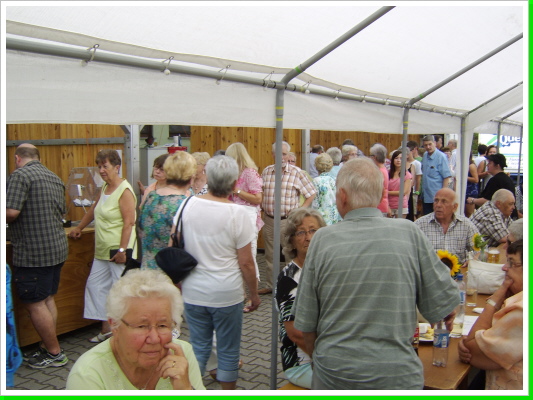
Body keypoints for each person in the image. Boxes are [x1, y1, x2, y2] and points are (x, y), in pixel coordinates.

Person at [293, 157, 459, 390]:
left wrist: (321, 364)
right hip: (397, 376)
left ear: (342, 196)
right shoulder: (409, 232)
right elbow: (445, 307)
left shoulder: (322, 240)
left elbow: (306, 324)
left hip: (335, 375)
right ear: (382, 193)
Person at [170, 155, 260, 389]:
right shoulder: (238, 214)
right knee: (228, 349)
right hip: (227, 292)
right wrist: (254, 293)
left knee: (199, 347)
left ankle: (191, 389)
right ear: (234, 182)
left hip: (193, 290)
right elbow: (246, 263)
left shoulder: (187, 205)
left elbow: (174, 243)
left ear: (208, 178)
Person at [66, 269, 205, 390]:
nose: (154, 338)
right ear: (114, 325)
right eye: (141, 326)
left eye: (162, 325)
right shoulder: (88, 375)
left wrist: (185, 390)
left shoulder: (181, 355)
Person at [6, 144, 69, 368]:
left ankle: (54, 352)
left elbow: (11, 212)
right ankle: (47, 347)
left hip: (33, 252)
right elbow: (62, 211)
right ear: (38, 157)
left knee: (35, 304)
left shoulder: (20, 176)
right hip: (56, 249)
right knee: (47, 299)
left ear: (17, 158)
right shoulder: (54, 177)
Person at [68, 149, 137, 344]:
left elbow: (129, 222)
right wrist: (79, 227)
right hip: (102, 249)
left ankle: (126, 333)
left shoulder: (124, 190)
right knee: (95, 286)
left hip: (118, 250)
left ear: (117, 167)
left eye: (105, 166)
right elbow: (93, 209)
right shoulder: (105, 187)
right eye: (99, 166)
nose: (101, 170)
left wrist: (122, 250)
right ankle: (108, 329)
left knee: (121, 292)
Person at [458, 240, 523, 390]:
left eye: (512, 263)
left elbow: (472, 351)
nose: (504, 267)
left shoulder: (521, 311)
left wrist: (495, 299)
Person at [276, 208, 326, 389]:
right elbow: (296, 334)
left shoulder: (325, 268)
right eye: (301, 232)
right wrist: (327, 361)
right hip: (303, 362)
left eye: (313, 230)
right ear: (292, 241)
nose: (308, 237)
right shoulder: (289, 278)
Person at [260, 141, 316, 295]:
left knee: (289, 254)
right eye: (278, 153)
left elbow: (311, 193)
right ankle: (271, 285)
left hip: (287, 220)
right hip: (269, 219)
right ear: (273, 154)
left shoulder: (297, 172)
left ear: (288, 155)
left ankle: (290, 288)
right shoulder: (266, 171)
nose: (281, 157)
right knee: (270, 255)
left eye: (284, 154)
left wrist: (300, 210)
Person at [139, 151, 195, 270]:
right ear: (190, 178)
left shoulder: (150, 197)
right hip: (171, 272)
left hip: (147, 268)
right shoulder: (186, 203)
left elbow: (141, 230)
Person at [225, 142, 264, 311]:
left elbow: (258, 198)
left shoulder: (249, 173)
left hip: (247, 217)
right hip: (231, 216)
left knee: (250, 256)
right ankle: (240, 294)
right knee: (235, 257)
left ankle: (251, 295)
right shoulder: (230, 174)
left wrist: (237, 191)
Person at [415, 188, 479, 264]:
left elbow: (481, 250)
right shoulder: (420, 225)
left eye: (444, 201)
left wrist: (472, 260)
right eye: (436, 201)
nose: (438, 205)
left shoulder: (466, 225)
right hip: (428, 269)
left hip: (457, 270)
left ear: (454, 207)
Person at [421, 135, 451, 215]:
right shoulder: (425, 155)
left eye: (430, 144)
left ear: (434, 143)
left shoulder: (441, 157)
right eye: (425, 145)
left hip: (437, 195)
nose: (428, 147)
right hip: (426, 195)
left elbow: (446, 177)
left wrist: (443, 194)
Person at [311, 153, 341, 225]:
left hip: (321, 217)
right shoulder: (335, 180)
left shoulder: (316, 181)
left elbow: (315, 203)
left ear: (316, 166)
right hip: (335, 216)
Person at [387, 150, 412, 218]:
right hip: (388, 205)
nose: (398, 160)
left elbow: (403, 192)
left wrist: (387, 192)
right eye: (396, 158)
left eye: (401, 158)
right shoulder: (388, 173)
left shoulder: (407, 175)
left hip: (401, 205)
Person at [369, 143, 391, 217]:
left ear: (374, 157)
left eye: (370, 156)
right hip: (381, 205)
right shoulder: (383, 169)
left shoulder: (379, 171)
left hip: (379, 207)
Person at [464, 152, 479, 217]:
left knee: (469, 213)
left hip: (470, 192)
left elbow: (476, 179)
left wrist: (464, 177)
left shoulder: (471, 166)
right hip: (465, 191)